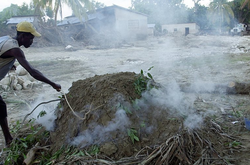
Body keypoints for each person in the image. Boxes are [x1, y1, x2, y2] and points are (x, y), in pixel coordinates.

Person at [0, 21, 61, 146]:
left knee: (0, 107)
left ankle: (8, 139)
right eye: (31, 38)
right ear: (23, 36)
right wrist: (53, 84)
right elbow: (33, 72)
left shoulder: (6, 40)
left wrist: (9, 64)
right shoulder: (15, 50)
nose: (32, 41)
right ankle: (8, 140)